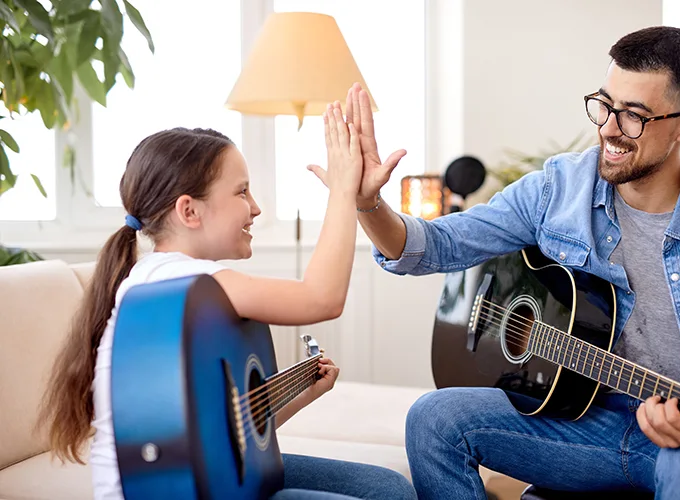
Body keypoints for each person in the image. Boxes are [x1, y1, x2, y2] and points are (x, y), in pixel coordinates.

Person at [323, 27, 680, 499]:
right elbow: (437, 246)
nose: (609, 128)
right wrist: (368, 203)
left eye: (634, 116)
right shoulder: (559, 189)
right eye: (605, 105)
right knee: (434, 419)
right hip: (582, 423)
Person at [37, 104, 417, 500]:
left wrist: (303, 392)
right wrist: (344, 190)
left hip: (202, 480)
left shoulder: (181, 289)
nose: (255, 207)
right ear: (189, 211)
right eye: (241, 191)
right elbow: (322, 299)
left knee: (386, 488)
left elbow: (226, 437)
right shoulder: (180, 282)